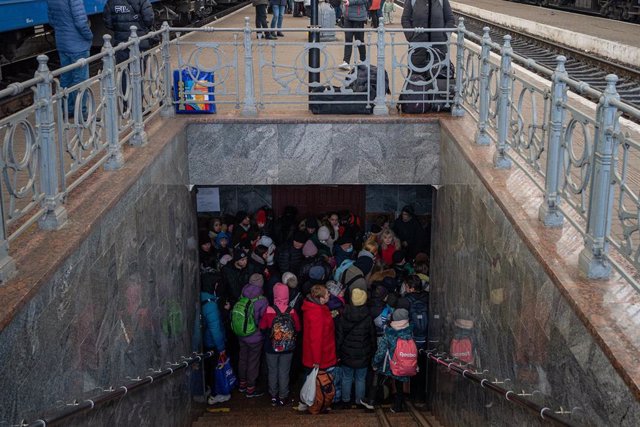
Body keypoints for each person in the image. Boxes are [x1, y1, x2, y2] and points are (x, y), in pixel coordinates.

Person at [48, 0, 93, 118]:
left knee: (66, 78)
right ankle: (81, 113)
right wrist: (89, 35)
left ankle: (68, 110)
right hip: (77, 44)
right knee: (80, 80)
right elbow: (81, 22)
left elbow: (51, 20)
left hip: (62, 43)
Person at [259, 283, 301, 406]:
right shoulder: (292, 311)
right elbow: (298, 328)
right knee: (284, 371)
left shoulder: (269, 310)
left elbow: (262, 327)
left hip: (271, 347)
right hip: (288, 348)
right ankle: (283, 396)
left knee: (272, 371)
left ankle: (273, 395)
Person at [299, 284, 337, 410]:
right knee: (320, 381)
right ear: (321, 298)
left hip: (315, 352)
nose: (329, 295)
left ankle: (309, 401)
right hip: (321, 353)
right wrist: (316, 360)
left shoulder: (313, 307)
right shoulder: (317, 313)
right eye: (327, 294)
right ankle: (317, 402)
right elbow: (316, 339)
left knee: (312, 379)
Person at [336, 288, 375, 410]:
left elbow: (339, 337)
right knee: (360, 378)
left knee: (346, 377)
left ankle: (346, 401)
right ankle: (359, 401)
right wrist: (373, 351)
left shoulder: (343, 315)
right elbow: (372, 337)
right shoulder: (368, 317)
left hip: (347, 353)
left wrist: (338, 352)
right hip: (363, 353)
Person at [373, 308, 413, 413]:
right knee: (399, 382)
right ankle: (398, 405)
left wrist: (375, 363)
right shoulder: (410, 331)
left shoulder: (390, 333)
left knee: (378, 375)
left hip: (392, 365)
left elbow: (381, 352)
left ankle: (373, 400)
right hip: (405, 364)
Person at [236, 274, 268, 397]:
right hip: (255, 336)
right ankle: (251, 388)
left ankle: (242, 384)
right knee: (253, 361)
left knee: (243, 358)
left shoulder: (242, 294)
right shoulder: (262, 300)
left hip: (241, 333)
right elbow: (263, 320)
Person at [400, 0, 454, 72]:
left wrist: (445, 35)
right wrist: (411, 36)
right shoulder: (412, 1)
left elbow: (450, 19)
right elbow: (405, 19)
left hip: (438, 49)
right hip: (417, 49)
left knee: (438, 78)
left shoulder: (442, 1)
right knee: (416, 78)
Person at [200, 272, 229, 405]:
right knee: (215, 369)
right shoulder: (210, 305)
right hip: (212, 343)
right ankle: (215, 394)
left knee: (208, 368)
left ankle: (208, 390)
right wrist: (221, 348)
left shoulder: (202, 299)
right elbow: (215, 329)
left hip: (204, 342)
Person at [339, 0, 369, 70]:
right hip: (347, 16)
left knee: (359, 40)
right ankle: (346, 62)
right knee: (348, 39)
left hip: (358, 17)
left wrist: (350, 2)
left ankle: (363, 60)